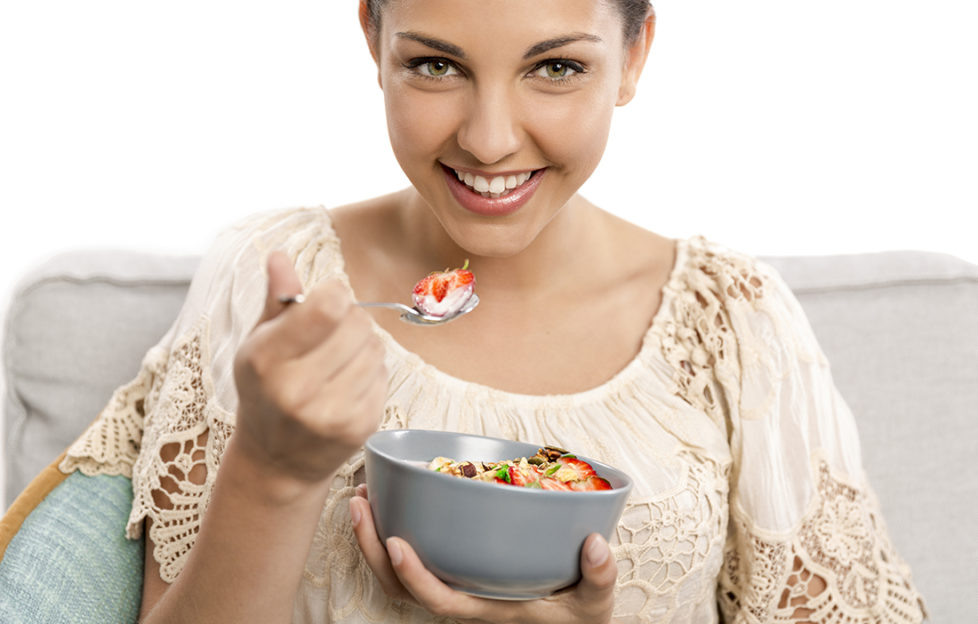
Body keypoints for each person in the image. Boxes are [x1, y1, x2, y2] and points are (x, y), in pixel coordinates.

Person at [60, 1, 927, 622]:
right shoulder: (272, 283)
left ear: (634, 56)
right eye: (436, 64)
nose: (488, 140)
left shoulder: (735, 325)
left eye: (556, 67)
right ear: (372, 35)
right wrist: (273, 472)